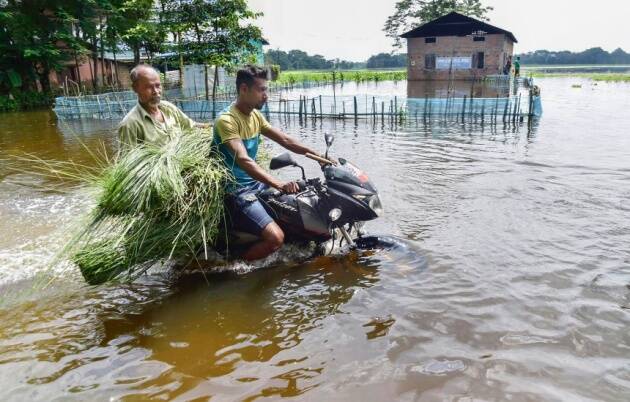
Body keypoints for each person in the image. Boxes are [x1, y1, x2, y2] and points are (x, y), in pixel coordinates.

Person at [213, 65, 322, 261]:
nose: (266, 95)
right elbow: (244, 160)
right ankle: (233, 267)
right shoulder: (227, 120)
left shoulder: (255, 115)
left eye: (267, 89)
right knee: (275, 238)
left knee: (298, 211)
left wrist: (319, 157)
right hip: (236, 191)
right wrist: (278, 184)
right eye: (261, 90)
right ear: (244, 89)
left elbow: (286, 140)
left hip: (256, 184)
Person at [118, 64, 209, 151]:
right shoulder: (130, 124)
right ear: (135, 88)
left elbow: (190, 125)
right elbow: (129, 163)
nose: (156, 91)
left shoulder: (168, 108)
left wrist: (212, 126)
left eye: (158, 85)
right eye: (148, 87)